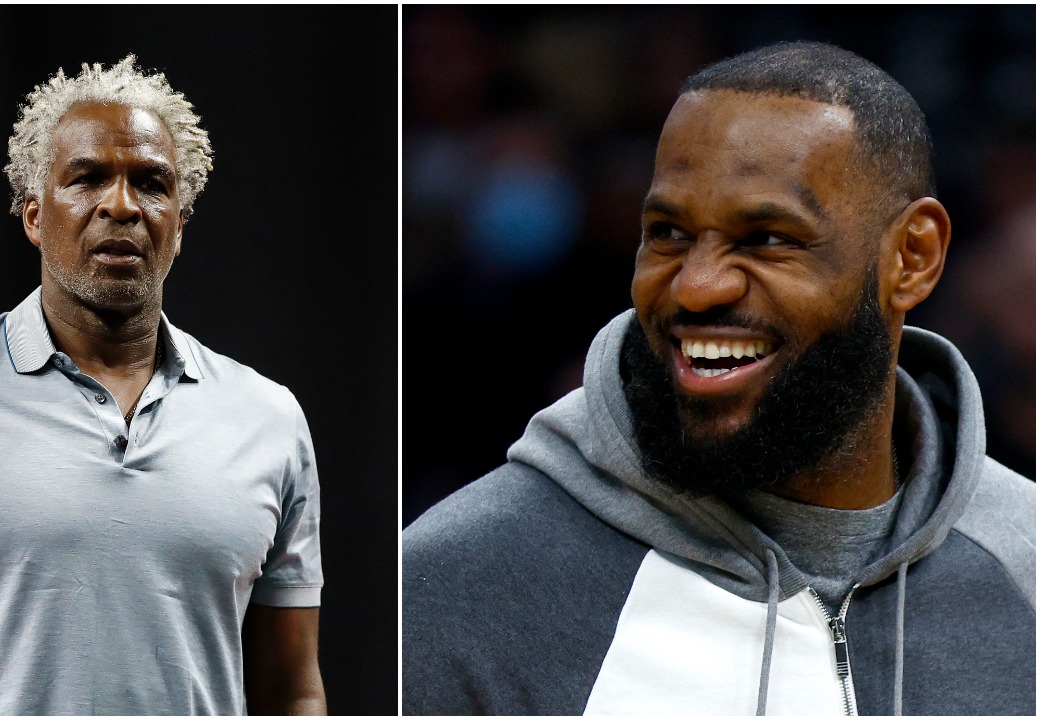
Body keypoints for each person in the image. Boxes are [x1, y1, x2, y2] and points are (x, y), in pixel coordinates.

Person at [403, 41, 1034, 716]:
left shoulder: (1025, 565)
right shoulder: (463, 584)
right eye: (669, 232)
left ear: (912, 257)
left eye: (766, 238)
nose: (697, 286)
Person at [0, 55, 326, 716]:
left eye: (152, 183)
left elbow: (292, 685)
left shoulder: (269, 419)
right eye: (88, 177)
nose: (122, 205)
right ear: (34, 215)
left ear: (180, 225)